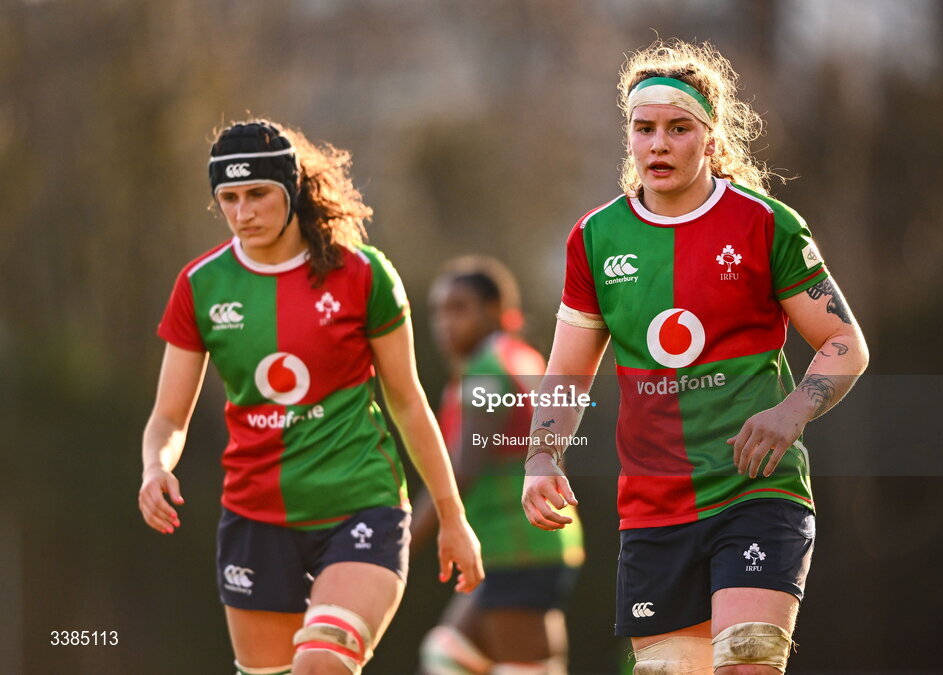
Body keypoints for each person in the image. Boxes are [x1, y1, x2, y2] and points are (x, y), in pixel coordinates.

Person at [520, 40, 869, 675]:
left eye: (678, 129)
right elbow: (568, 372)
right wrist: (543, 454)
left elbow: (845, 344)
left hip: (756, 491)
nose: (658, 144)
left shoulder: (766, 224)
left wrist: (790, 413)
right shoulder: (595, 239)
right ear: (627, 137)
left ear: (710, 138)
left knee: (746, 661)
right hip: (654, 507)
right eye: (643, 128)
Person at [137, 119, 483, 675]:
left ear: (291, 190)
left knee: (323, 659)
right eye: (228, 197)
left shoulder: (364, 276)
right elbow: (169, 416)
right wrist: (156, 465)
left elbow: (408, 400)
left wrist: (451, 516)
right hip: (255, 520)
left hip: (360, 507)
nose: (242, 211)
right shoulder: (201, 285)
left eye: (257, 194)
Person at [412, 256, 584, 675]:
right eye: (438, 311)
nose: (444, 323)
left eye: (458, 309)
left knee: (509, 665)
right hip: (530, 541)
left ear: (493, 311)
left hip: (519, 546)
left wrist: (403, 541)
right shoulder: (515, 357)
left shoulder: (488, 370)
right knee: (448, 654)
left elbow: (461, 470)